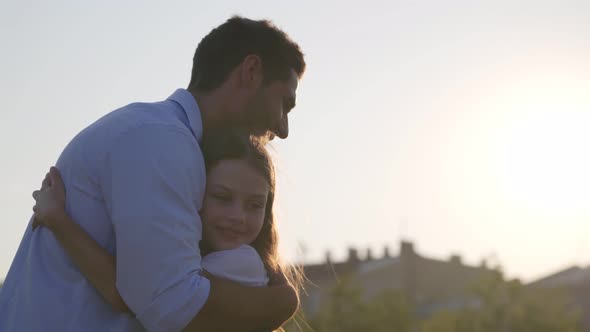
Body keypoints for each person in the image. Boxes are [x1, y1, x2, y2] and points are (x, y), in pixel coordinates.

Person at [0, 16, 305, 332]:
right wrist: (284, 302)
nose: (282, 129)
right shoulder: (160, 141)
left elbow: (137, 292)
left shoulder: (157, 136)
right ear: (251, 71)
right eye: (284, 103)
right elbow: (175, 307)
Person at [31, 132, 301, 331]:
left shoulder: (242, 263)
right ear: (195, 195)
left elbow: (126, 294)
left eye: (254, 205)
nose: (238, 216)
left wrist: (59, 220)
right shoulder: (228, 262)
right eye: (222, 197)